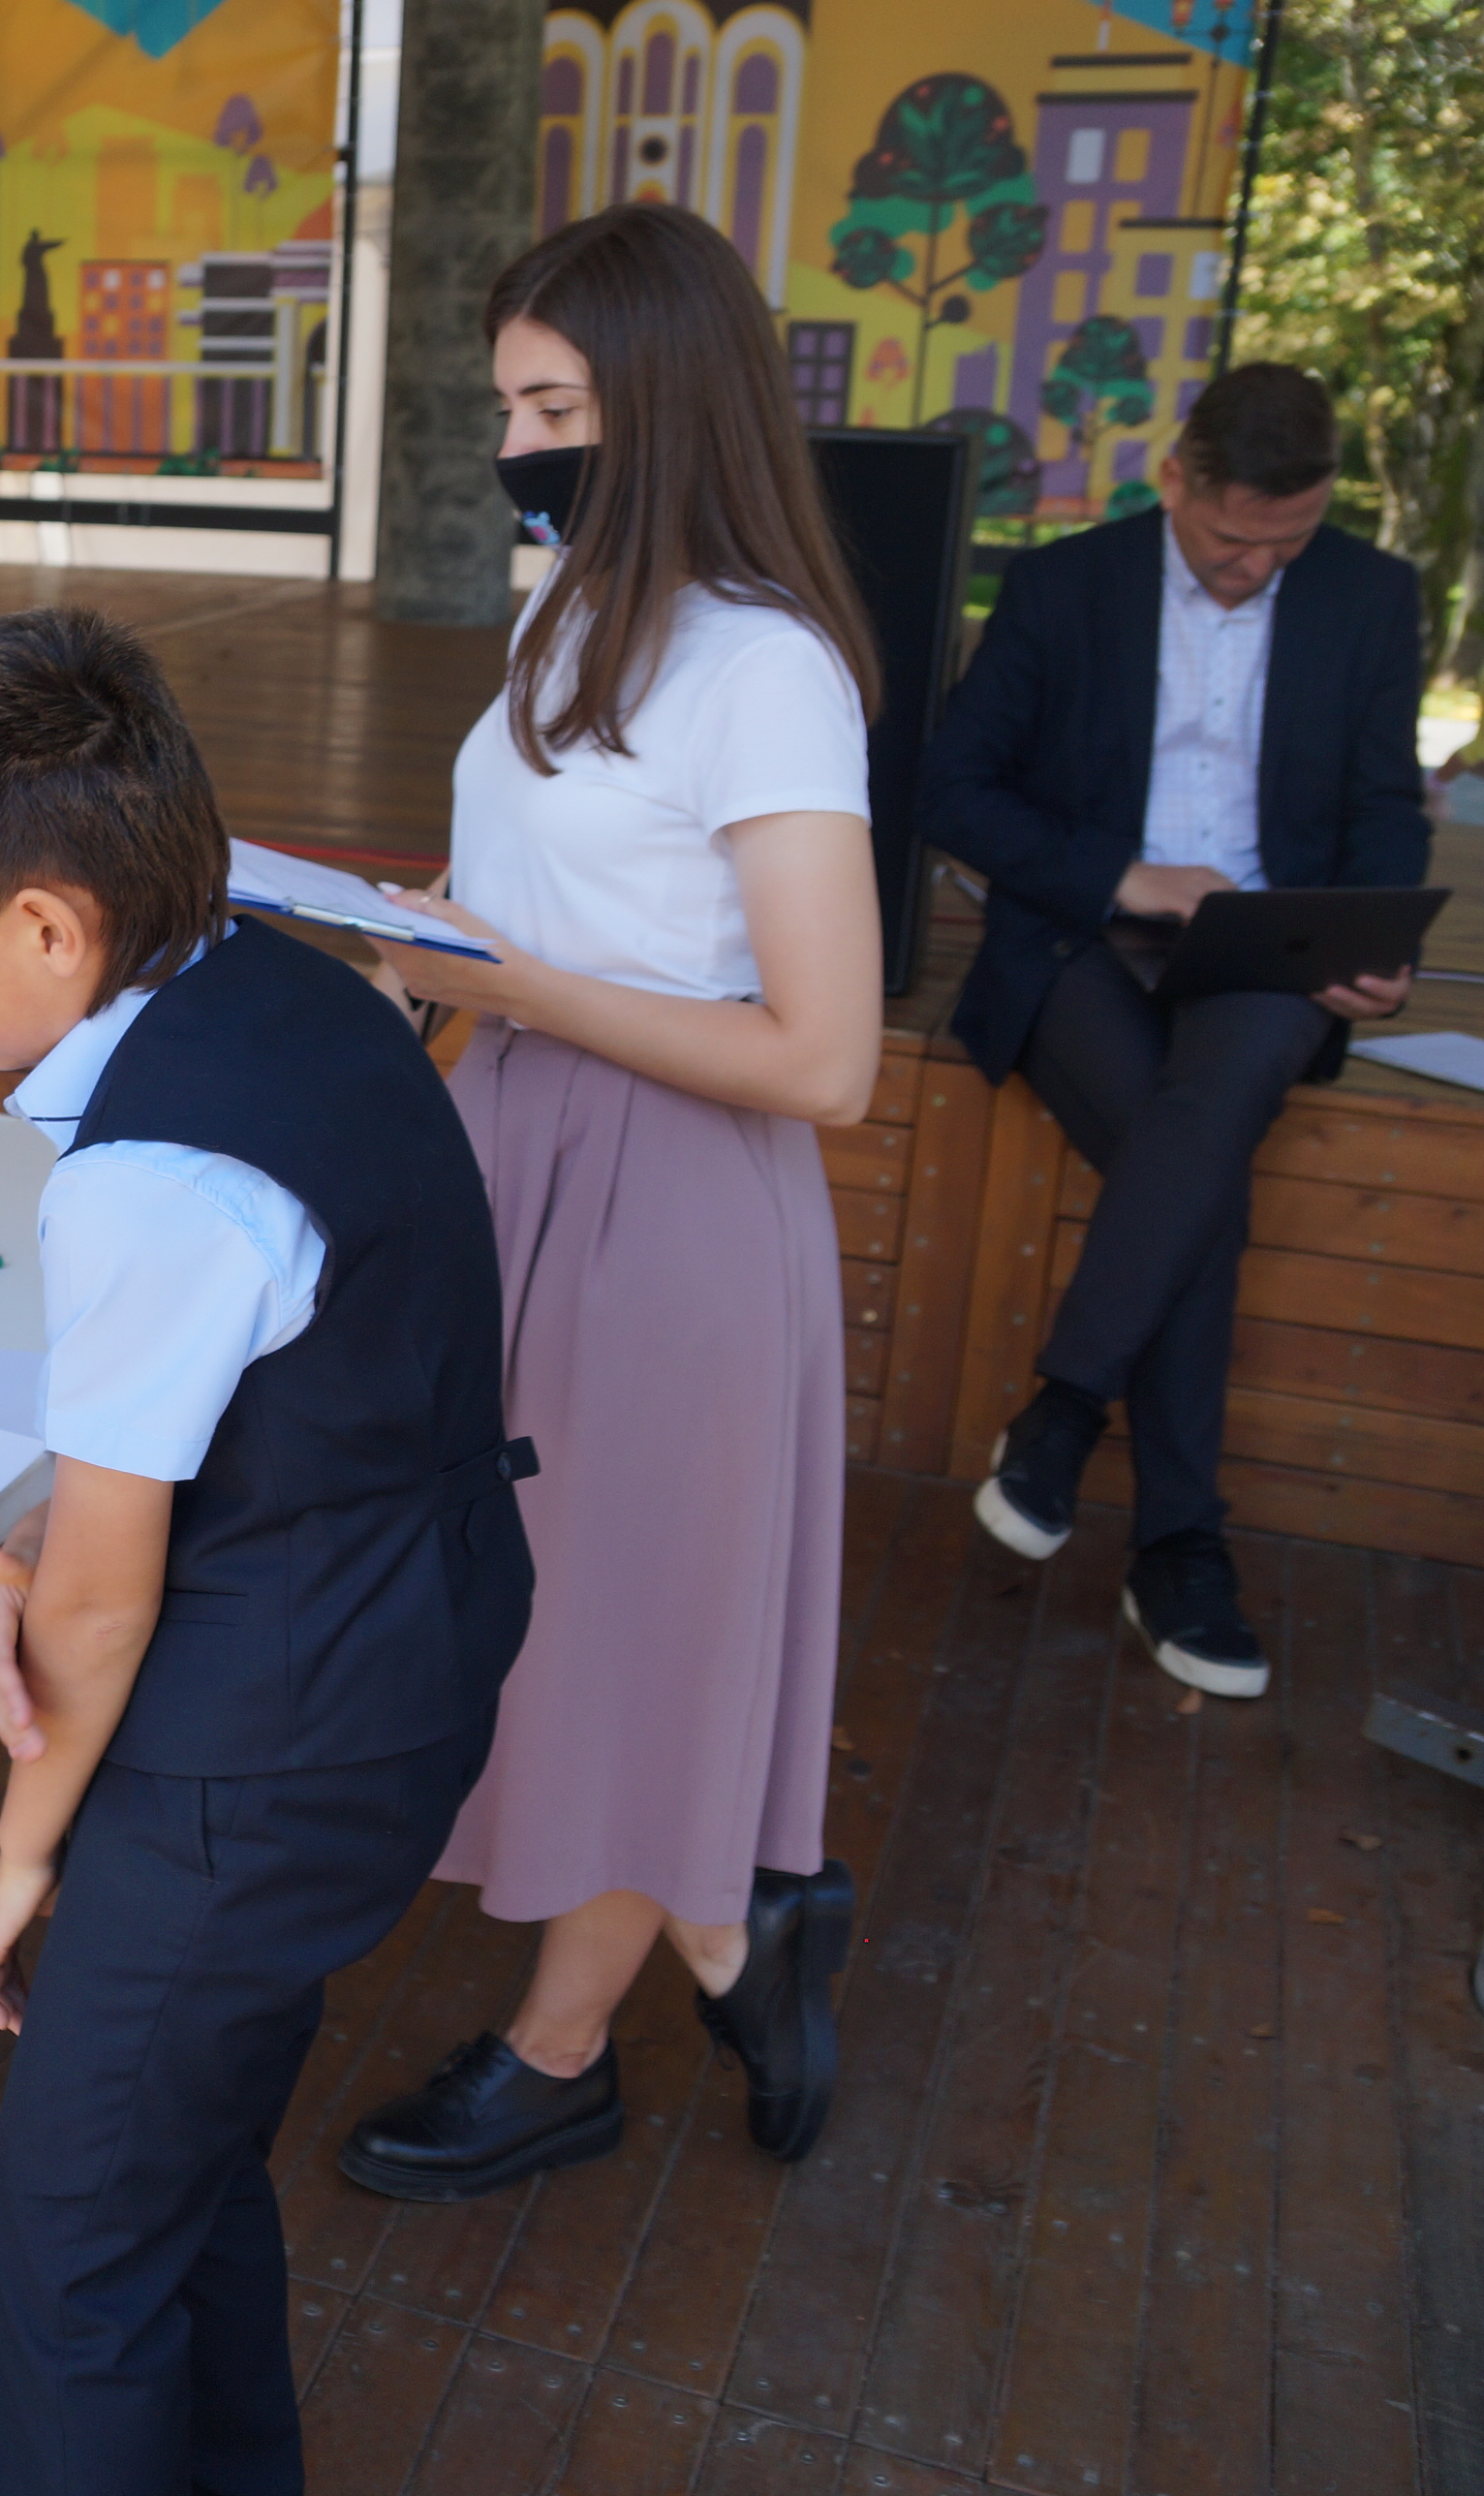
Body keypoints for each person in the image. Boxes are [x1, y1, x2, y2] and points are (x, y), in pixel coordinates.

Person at [0, 608, 530, 2495]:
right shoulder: (283, 985)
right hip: (395, 1647)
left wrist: (22, 1841)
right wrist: (60, 1580)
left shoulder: (150, 1177)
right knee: (181, 2158)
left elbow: (114, 1592)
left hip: (263, 1755)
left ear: (45, 927)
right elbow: (228, 1437)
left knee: (75, 2249)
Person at [336, 200, 880, 2198]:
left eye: (554, 403)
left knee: (616, 1625)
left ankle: (564, 2044)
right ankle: (740, 1923)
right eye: (508, 404)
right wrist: (442, 950)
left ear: (662, 403)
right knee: (528, 1604)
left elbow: (825, 1057)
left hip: (675, 1198)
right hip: (523, 1140)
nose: (520, 443)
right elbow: (560, 913)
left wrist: (517, 983)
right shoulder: (564, 615)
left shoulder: (765, 668)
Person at [926, 364, 1427, 1700]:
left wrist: (1381, 946)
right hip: (1083, 936)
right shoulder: (1062, 585)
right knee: (1189, 1162)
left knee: (1209, 1104)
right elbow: (950, 788)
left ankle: (1063, 1414)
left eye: (1289, 542)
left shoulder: (1374, 598)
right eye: (1231, 538)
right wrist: (1123, 877)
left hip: (1269, 950)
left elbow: (1386, 813)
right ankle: (1180, 1547)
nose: (1259, 567)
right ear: (1176, 482)